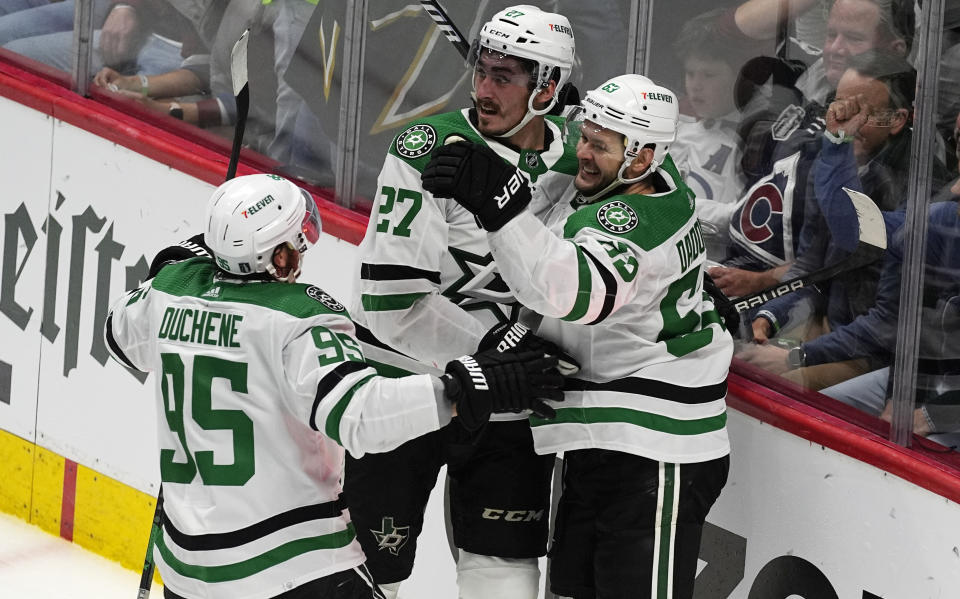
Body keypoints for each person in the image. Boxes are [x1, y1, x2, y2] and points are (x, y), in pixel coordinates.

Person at [103, 173, 566, 599]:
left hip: (188, 571)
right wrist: (461, 388)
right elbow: (362, 417)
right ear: (279, 258)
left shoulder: (166, 293)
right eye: (295, 240)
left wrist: (174, 262)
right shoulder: (298, 317)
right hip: (290, 565)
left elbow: (118, 336)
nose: (303, 247)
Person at [423, 73, 733, 599]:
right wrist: (560, 112)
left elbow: (565, 292)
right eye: (584, 136)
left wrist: (500, 208)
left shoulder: (632, 221)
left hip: (656, 450)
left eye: (598, 145)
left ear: (641, 159)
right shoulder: (650, 166)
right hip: (602, 441)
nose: (582, 153)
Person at [349, 6, 579, 598]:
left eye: (504, 77)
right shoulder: (430, 146)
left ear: (548, 87)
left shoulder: (585, 153)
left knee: (500, 570)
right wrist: (495, 354)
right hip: (407, 387)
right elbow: (387, 300)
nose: (482, 88)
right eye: (482, 70)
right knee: (370, 573)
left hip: (508, 403)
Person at [738, 51, 952, 390]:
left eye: (859, 111)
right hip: (832, 327)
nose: (841, 120)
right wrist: (772, 314)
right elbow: (812, 265)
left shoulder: (925, 189)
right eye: (838, 106)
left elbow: (888, 322)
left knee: (777, 383)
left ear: (897, 119)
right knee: (738, 359)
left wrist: (801, 355)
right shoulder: (828, 156)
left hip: (882, 351)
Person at [708, 0, 914, 300]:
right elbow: (724, 33)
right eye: (831, 35)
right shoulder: (801, 79)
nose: (835, 49)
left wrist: (763, 287)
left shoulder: (890, 154)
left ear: (896, 50)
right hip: (744, 257)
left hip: (806, 300)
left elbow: (841, 254)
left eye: (854, 38)